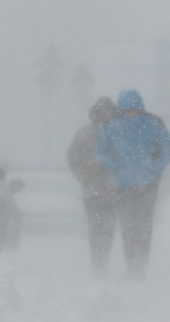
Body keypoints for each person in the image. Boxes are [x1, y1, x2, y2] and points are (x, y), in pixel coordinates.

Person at [97, 89, 170, 279]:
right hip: (123, 184)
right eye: (128, 109)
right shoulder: (110, 127)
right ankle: (132, 265)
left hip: (147, 184)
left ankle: (141, 266)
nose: (132, 113)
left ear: (141, 107)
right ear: (122, 110)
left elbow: (168, 148)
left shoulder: (153, 124)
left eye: (135, 109)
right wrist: (114, 165)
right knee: (128, 226)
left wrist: (155, 168)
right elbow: (101, 152)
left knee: (144, 226)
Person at [67, 96, 118, 276]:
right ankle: (98, 264)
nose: (106, 114)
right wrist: (84, 176)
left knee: (109, 229)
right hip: (92, 190)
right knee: (96, 229)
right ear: (95, 113)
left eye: (109, 111)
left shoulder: (119, 132)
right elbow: (73, 158)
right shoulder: (84, 133)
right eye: (102, 111)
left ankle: (103, 261)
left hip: (113, 190)